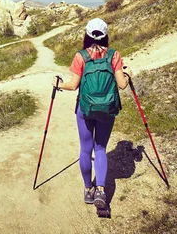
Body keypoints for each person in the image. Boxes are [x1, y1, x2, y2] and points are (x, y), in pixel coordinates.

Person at [52, 18, 132, 209]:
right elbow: (122, 84)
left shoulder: (81, 56)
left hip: (85, 109)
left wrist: (57, 84)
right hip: (107, 110)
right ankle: (101, 191)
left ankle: (89, 189)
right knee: (101, 148)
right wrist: (128, 74)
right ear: (106, 35)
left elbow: (72, 86)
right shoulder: (114, 55)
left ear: (87, 35)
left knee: (85, 149)